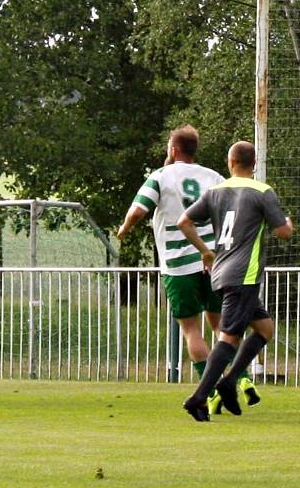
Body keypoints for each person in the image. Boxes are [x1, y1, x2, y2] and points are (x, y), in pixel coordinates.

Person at [117, 125, 254, 411]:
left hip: (179, 263)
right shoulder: (214, 177)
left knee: (191, 330)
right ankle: (241, 378)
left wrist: (125, 228)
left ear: (173, 149)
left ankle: (210, 389)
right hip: (214, 261)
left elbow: (138, 209)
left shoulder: (160, 176)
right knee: (222, 327)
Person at [178, 141, 293, 421]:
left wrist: (206, 252)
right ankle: (198, 397)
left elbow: (183, 221)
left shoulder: (215, 192)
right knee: (229, 337)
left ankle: (229, 383)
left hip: (220, 272)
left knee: (264, 329)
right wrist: (288, 221)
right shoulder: (263, 192)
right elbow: (284, 233)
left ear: (230, 163)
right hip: (244, 276)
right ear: (254, 163)